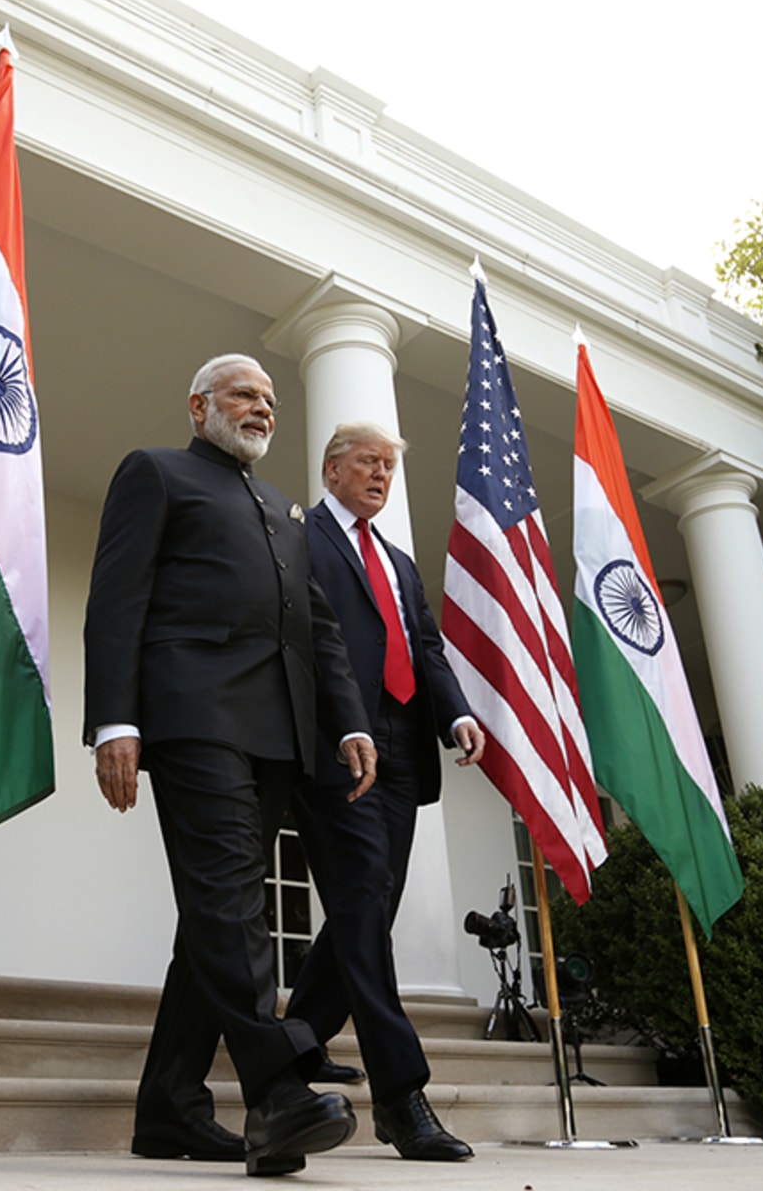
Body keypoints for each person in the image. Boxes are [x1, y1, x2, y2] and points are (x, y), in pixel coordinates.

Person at [83, 354, 378, 1178]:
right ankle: (279, 1090)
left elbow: (317, 627)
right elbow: (117, 598)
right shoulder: (158, 473)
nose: (263, 409)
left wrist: (348, 723)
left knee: (217, 912)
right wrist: (116, 718)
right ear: (199, 405)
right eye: (246, 394)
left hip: (277, 732)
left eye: (271, 400)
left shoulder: (283, 509)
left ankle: (170, 1107)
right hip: (191, 716)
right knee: (227, 902)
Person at [285, 423, 485, 1161]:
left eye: (389, 468)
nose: (380, 476)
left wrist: (457, 711)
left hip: (404, 744)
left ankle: (300, 1039)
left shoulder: (399, 562)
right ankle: (401, 1096)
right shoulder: (300, 537)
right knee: (365, 891)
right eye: (368, 462)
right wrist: (337, 725)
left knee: (371, 900)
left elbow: (424, 646)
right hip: (341, 744)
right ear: (332, 469)